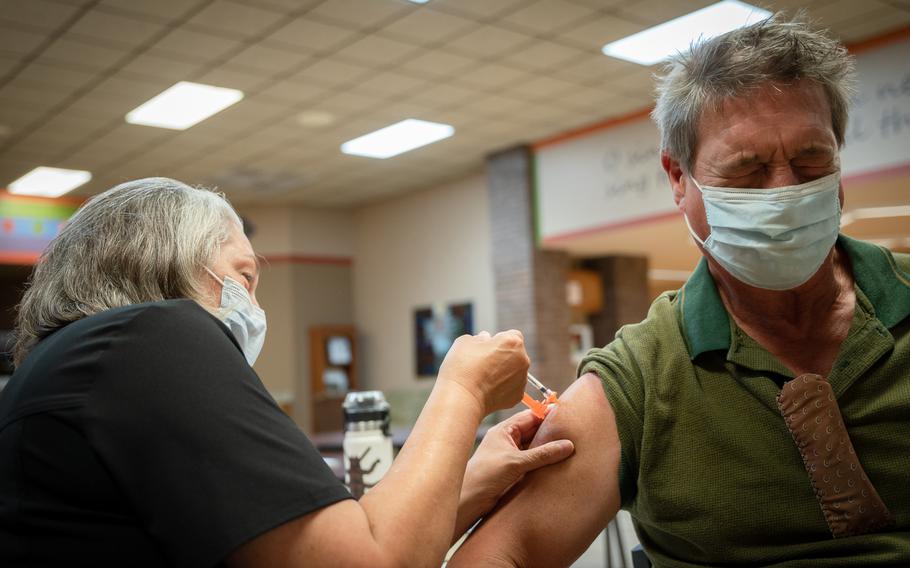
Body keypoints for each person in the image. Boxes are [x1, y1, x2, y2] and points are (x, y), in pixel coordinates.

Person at [450, 14, 910, 568]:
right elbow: (500, 555)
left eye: (812, 158)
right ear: (677, 176)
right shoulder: (641, 376)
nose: (786, 189)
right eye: (749, 167)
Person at [0, 177, 575, 568]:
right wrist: (464, 388)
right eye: (242, 278)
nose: (253, 306)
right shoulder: (150, 337)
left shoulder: (72, 368)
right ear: (166, 264)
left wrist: (473, 478)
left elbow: (326, 544)